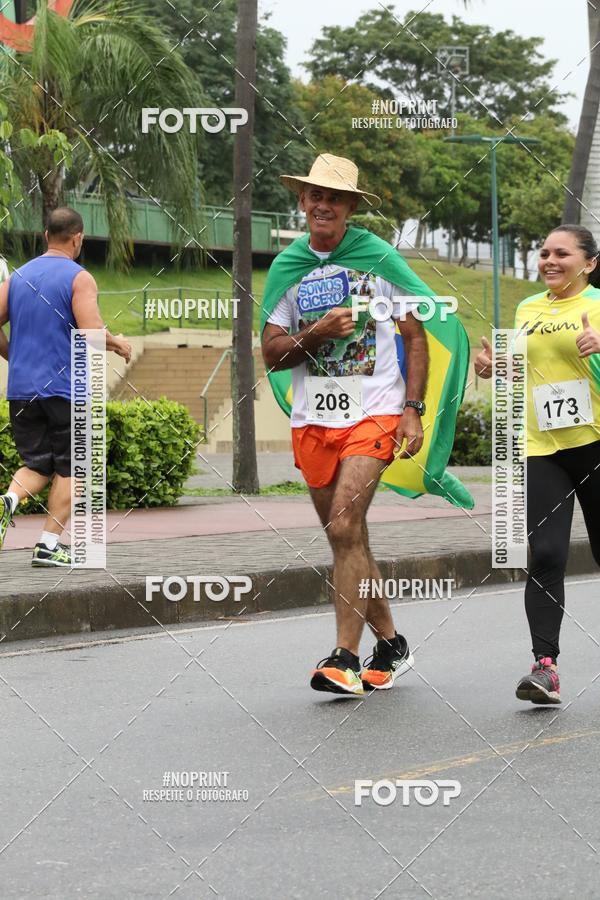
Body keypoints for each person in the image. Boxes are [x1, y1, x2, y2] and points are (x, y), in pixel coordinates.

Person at [261, 153, 430, 695]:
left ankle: (343, 658)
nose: (323, 205)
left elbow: (416, 336)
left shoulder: (378, 258)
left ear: (352, 207)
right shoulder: (287, 266)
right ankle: (392, 643)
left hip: (375, 411)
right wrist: (318, 334)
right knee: (347, 537)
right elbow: (272, 353)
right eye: (315, 196)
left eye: (335, 197)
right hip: (315, 419)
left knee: (342, 525)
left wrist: (412, 408)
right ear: (302, 202)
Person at [475, 224, 600, 704]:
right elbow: (520, 370)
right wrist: (493, 368)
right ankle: (544, 668)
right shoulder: (528, 309)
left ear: (589, 263)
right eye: (544, 252)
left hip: (595, 443)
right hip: (542, 448)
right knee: (545, 554)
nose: (548, 260)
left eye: (561, 254)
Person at [0, 207, 132, 566]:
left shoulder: (18, 277)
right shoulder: (79, 277)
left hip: (21, 390)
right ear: (77, 238)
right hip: (63, 390)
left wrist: (14, 355)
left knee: (38, 464)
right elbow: (90, 331)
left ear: (46, 236)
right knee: (73, 468)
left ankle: (10, 499)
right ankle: (47, 544)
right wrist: (117, 343)